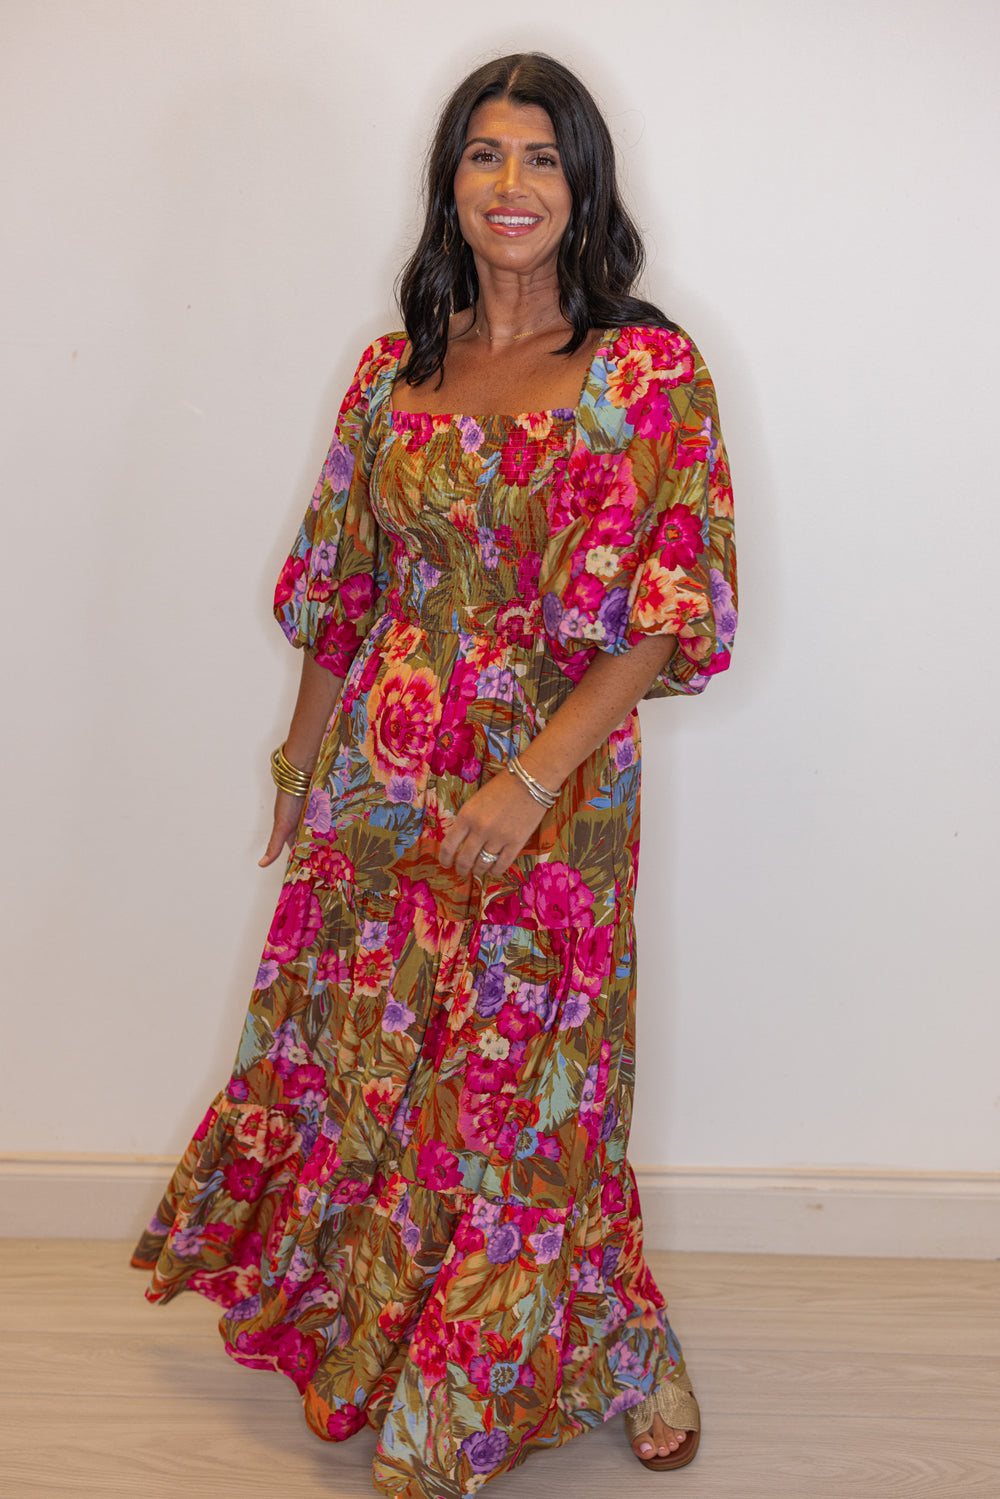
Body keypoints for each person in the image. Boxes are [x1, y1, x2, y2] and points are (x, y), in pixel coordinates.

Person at [131, 50, 737, 1498]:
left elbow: (669, 612)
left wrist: (528, 780)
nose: (511, 185)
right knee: (377, 1079)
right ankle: (399, 1344)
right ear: (449, 181)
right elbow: (342, 592)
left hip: (555, 793)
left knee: (532, 1096)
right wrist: (297, 765)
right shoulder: (392, 370)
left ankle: (589, 1352)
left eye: (542, 157)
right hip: (381, 787)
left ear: (585, 185)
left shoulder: (647, 372)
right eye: (484, 154)